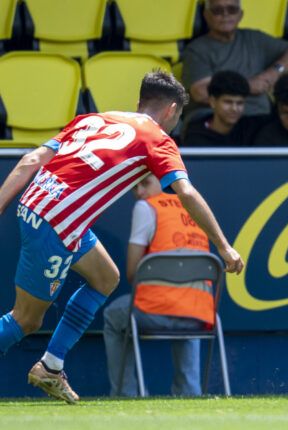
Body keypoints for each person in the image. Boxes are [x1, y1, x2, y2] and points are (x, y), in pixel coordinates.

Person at [0, 71, 244, 404]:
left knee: (106, 277)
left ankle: (51, 366)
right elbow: (185, 191)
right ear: (172, 110)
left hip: (38, 205)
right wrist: (223, 245)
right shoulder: (157, 139)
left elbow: (31, 160)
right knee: (26, 319)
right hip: (57, 222)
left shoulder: (92, 119)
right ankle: (49, 365)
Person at [103, 174, 211, 397]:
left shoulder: (146, 207)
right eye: (134, 187)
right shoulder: (192, 206)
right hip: (201, 314)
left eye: (145, 183)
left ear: (163, 182)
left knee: (113, 316)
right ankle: (190, 393)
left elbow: (133, 272)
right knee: (188, 308)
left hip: (155, 310)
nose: (140, 192)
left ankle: (125, 394)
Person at [182, 0, 288, 121]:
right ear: (206, 15)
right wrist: (249, 86)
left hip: (260, 118)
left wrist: (272, 73)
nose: (225, 14)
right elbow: (201, 93)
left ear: (240, 14)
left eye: (232, 9)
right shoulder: (196, 49)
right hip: (215, 120)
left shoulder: (255, 38)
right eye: (217, 10)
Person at [182, 70, 270, 147]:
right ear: (212, 102)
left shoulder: (252, 127)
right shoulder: (196, 136)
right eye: (228, 102)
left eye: (239, 103)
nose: (234, 108)